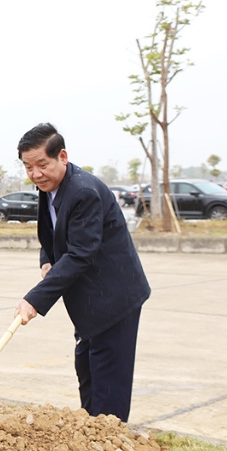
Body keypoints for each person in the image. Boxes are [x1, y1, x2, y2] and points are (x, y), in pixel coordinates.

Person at [14, 123, 151, 422]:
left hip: (113, 298)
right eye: (28, 167)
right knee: (87, 368)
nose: (35, 174)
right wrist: (46, 261)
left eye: (42, 164)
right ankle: (90, 432)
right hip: (89, 300)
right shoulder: (50, 188)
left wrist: (35, 299)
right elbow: (52, 235)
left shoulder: (84, 191)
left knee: (108, 378)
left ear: (62, 156)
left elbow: (80, 254)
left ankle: (109, 441)